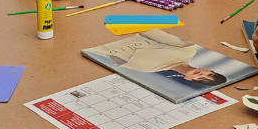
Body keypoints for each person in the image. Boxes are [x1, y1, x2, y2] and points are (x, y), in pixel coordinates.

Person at [93, 29, 227, 87]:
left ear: (188, 79)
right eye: (209, 73)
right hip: (118, 31)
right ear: (209, 69)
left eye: (201, 78)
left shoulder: (147, 69)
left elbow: (108, 55)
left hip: (97, 44)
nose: (202, 74)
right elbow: (152, 32)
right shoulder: (187, 50)